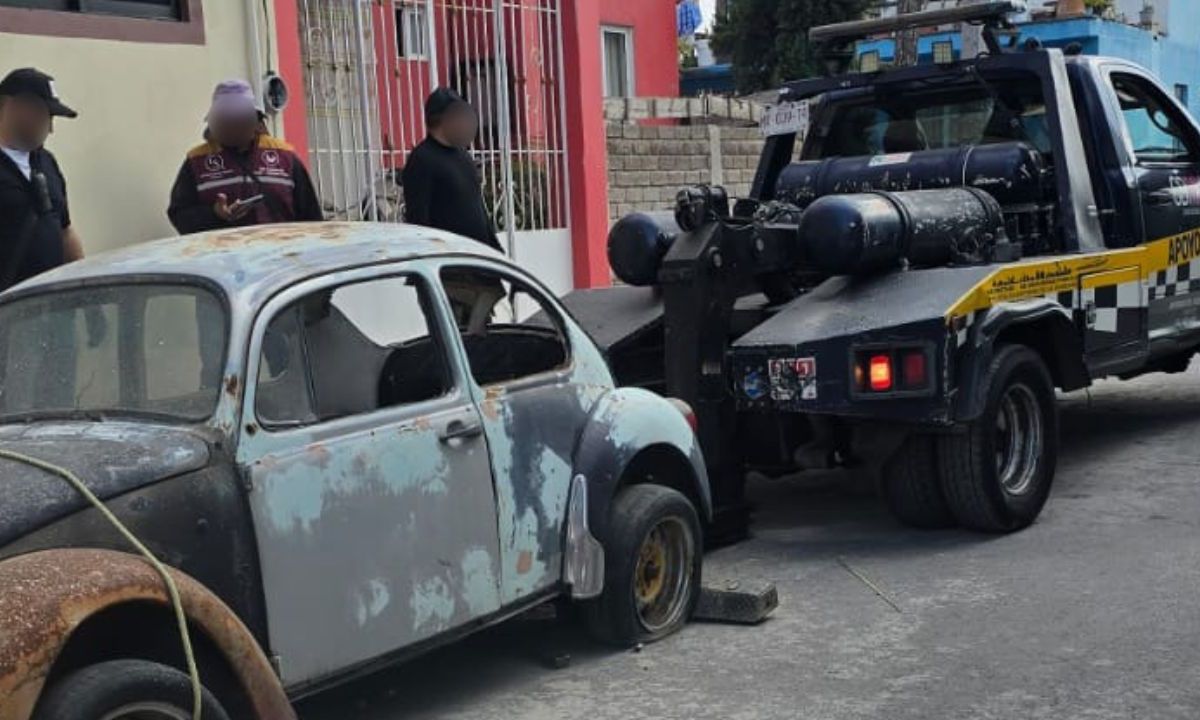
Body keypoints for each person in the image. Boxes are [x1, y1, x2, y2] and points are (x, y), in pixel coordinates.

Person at [168, 79, 322, 234]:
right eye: (226, 121)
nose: (232, 128)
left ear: (255, 121)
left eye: (239, 120)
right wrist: (214, 214)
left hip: (280, 252)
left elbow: (312, 217)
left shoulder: (284, 156)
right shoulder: (197, 161)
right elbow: (179, 214)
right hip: (221, 254)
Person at [0, 68, 83, 292]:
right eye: (43, 115)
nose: (50, 129)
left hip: (47, 305)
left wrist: (82, 285)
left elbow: (65, 230)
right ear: (12, 107)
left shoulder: (46, 162)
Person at [402, 88, 502, 252]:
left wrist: (495, 249)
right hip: (450, 265)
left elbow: (478, 208)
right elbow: (418, 220)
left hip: (479, 260)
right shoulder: (422, 159)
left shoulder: (463, 156)